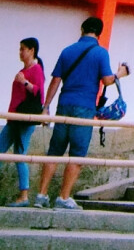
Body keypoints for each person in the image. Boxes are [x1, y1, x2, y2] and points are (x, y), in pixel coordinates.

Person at [36, 16, 126, 208]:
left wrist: (45, 107)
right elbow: (107, 80)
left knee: (54, 152)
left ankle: (41, 195)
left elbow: (55, 81)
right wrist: (120, 73)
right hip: (84, 107)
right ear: (99, 34)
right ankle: (63, 197)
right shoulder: (101, 53)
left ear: (82, 29)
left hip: (64, 104)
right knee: (76, 155)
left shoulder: (67, 51)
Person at [1, 38, 44, 205]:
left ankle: (24, 195)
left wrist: (24, 82)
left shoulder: (36, 70)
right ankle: (23, 195)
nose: (20, 52)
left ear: (32, 50)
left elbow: (38, 93)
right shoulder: (23, 70)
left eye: (23, 49)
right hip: (14, 118)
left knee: (20, 154)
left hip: (24, 120)